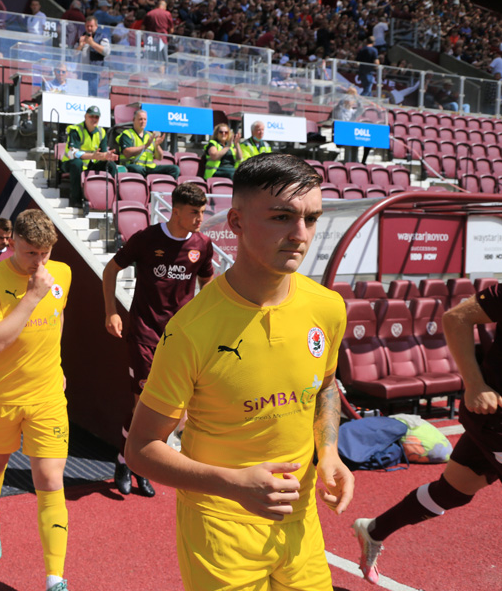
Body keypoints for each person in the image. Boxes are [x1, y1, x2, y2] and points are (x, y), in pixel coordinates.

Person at [125, 153, 354, 591]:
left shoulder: (327, 307)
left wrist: (328, 454)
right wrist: (234, 484)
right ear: (236, 221)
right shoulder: (191, 330)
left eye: (311, 218)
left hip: (301, 524)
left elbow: (324, 387)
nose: (300, 235)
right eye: (282, 217)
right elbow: (141, 449)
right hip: (220, 530)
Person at [352, 284, 502, 585]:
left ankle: (373, 530)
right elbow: (456, 318)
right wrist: (475, 385)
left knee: (454, 491)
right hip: (494, 417)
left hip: (489, 423)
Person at [0, 209, 72, 591]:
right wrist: (31, 296)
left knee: (49, 479)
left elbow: (58, 316)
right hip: (3, 396)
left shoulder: (61, 272)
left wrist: (57, 362)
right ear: (12, 242)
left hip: (47, 395)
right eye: (32, 253)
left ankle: (55, 579)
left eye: (46, 253)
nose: (40, 262)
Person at [103, 182, 213, 497]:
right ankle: (128, 461)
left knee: (171, 407)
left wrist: (205, 321)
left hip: (181, 337)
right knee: (144, 404)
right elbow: (111, 270)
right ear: (176, 211)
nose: (200, 218)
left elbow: (209, 283)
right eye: (194, 212)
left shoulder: (202, 245)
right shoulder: (147, 239)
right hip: (144, 332)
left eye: (203, 212)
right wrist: (111, 311)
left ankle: (142, 463)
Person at [60, 105, 119, 209]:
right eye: (91, 116)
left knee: (111, 166)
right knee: (77, 163)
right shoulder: (76, 130)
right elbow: (73, 153)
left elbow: (102, 153)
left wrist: (107, 156)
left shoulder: (101, 132)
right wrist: (93, 155)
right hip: (69, 163)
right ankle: (75, 200)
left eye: (97, 117)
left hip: (89, 164)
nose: (94, 119)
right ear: (85, 116)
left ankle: (111, 200)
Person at [115, 109, 180, 180]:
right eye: (140, 119)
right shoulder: (127, 134)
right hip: (133, 166)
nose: (143, 122)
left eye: (145, 119)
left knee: (175, 169)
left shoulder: (150, 135)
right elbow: (127, 153)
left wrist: (157, 145)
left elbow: (159, 157)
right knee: (137, 169)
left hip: (149, 168)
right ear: (133, 120)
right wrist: (145, 146)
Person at [75, 15, 110, 96]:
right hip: (81, 72)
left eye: (91, 26)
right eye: (87, 26)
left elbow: (106, 51)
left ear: (96, 26)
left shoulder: (101, 37)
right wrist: (80, 45)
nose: (89, 28)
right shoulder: (81, 37)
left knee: (92, 95)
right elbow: (73, 54)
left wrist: (92, 43)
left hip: (94, 72)